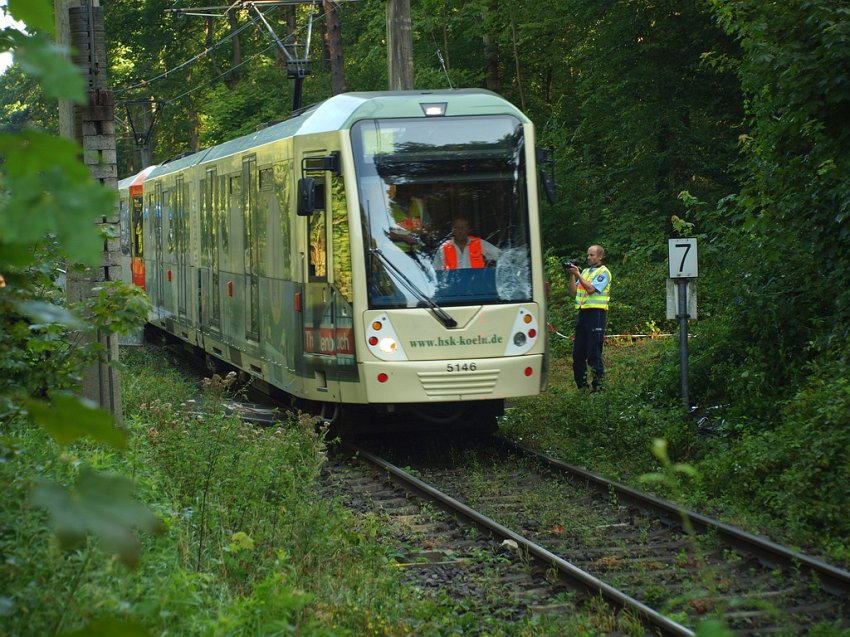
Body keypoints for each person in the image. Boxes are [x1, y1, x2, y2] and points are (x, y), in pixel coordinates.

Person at [566, 245, 612, 392]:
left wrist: (578, 275)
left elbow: (591, 290)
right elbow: (573, 292)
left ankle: (599, 388)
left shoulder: (604, 272)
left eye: (592, 255)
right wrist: (572, 274)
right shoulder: (585, 272)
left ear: (600, 257)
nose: (588, 258)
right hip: (583, 314)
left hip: (596, 314)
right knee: (578, 354)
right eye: (588, 255)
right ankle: (582, 388)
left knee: (594, 353)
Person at [433, 217, 501, 270]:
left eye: (463, 227)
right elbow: (435, 271)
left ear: (468, 229)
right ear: (452, 230)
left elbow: (500, 256)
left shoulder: (479, 243)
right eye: (457, 228)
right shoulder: (444, 248)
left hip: (477, 285)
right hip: (454, 287)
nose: (460, 231)